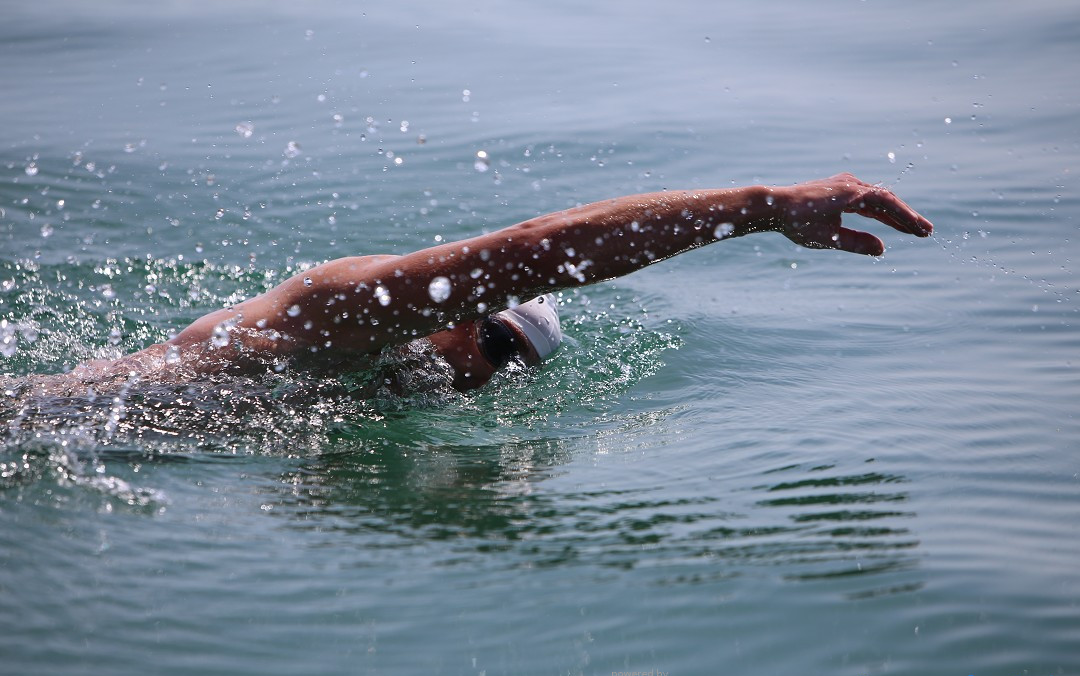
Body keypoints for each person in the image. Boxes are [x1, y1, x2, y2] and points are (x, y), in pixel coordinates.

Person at [30, 173, 933, 395]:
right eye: (496, 341)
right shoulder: (350, 310)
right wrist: (761, 206)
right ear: (466, 315)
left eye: (514, 366)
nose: (488, 372)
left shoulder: (371, 387)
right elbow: (544, 249)